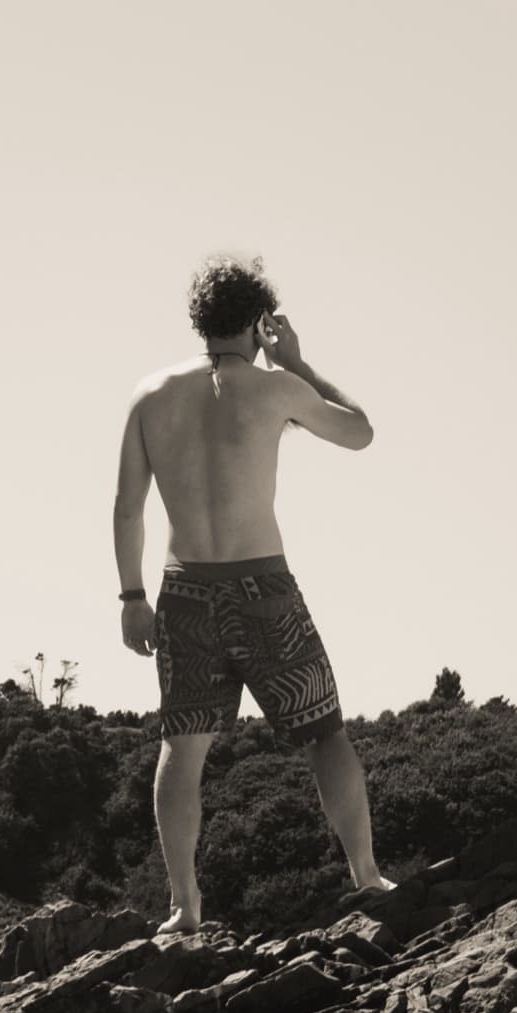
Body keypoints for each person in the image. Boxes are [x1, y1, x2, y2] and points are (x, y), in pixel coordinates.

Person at [112, 253, 396, 936]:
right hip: (263, 588)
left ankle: (183, 905)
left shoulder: (150, 396)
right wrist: (297, 361)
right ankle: (366, 874)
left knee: (183, 748)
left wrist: (130, 597)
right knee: (324, 732)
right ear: (257, 321)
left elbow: (127, 507)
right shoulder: (274, 389)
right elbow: (359, 430)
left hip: (183, 593)